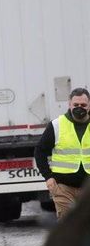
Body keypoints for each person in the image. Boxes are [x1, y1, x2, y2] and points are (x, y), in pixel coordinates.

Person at [34, 87, 90, 221]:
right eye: (76, 105)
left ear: (89, 106)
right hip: (63, 188)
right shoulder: (56, 125)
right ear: (69, 105)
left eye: (83, 105)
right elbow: (40, 151)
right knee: (67, 227)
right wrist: (48, 177)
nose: (79, 108)